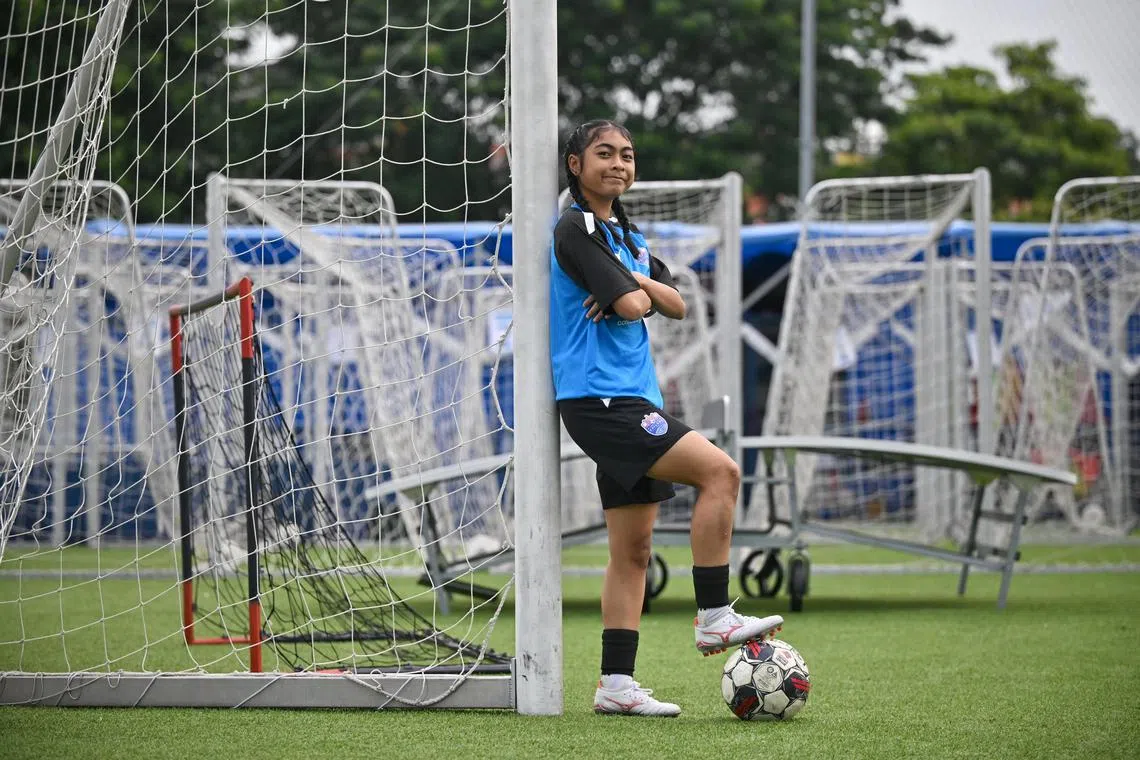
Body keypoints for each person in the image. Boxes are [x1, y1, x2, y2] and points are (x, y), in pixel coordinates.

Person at [550, 120, 784, 717]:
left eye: (627, 155)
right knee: (721, 473)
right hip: (601, 401)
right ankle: (713, 617)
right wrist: (636, 292)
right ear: (575, 164)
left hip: (633, 399)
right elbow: (635, 306)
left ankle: (615, 685)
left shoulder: (625, 234)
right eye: (604, 154)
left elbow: (675, 303)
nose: (619, 164)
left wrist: (635, 281)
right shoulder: (575, 227)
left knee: (632, 552)